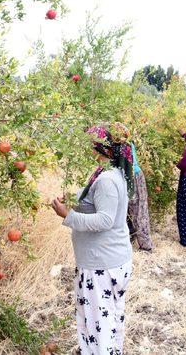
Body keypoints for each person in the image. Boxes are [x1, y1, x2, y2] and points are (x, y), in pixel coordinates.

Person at [51, 123, 134, 355]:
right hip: (111, 260)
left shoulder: (107, 179)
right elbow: (95, 200)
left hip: (102, 266)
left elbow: (105, 220)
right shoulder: (110, 173)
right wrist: (72, 199)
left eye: (90, 145)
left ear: (101, 148)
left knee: (99, 326)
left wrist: (68, 215)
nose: (88, 150)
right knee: (110, 320)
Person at [110, 123, 153, 251]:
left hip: (132, 177)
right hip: (132, 176)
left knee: (136, 212)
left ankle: (145, 245)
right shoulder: (126, 145)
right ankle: (135, 242)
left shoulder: (121, 147)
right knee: (137, 211)